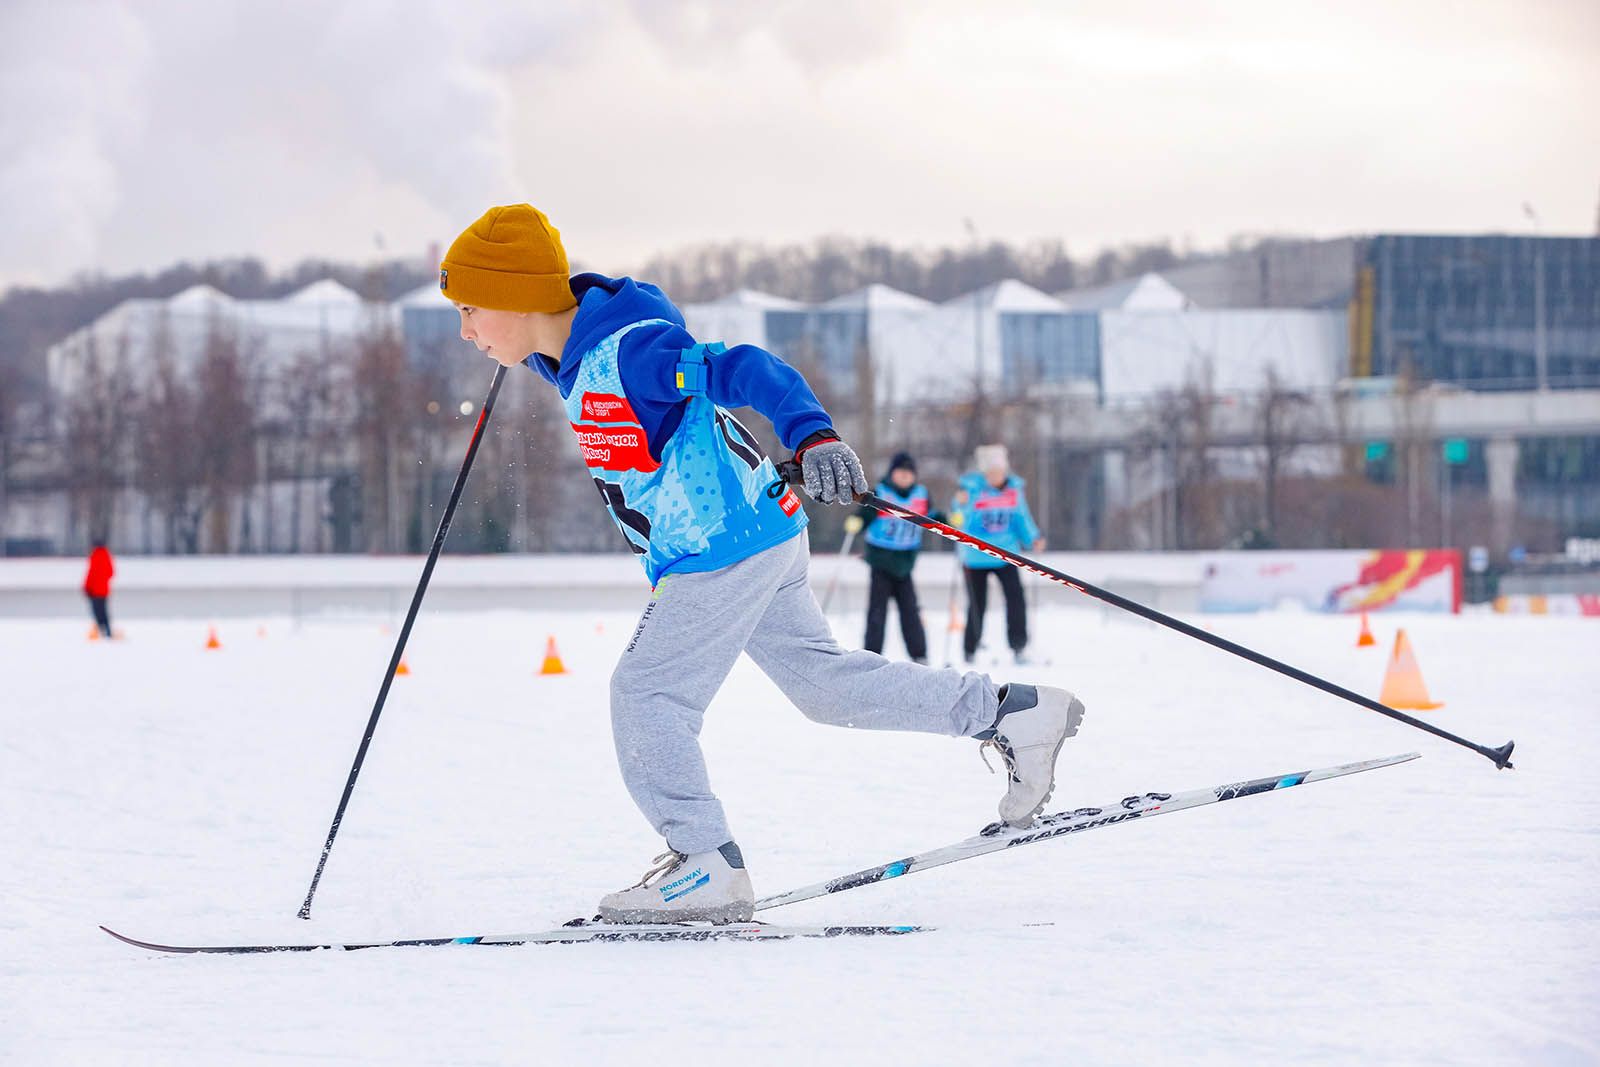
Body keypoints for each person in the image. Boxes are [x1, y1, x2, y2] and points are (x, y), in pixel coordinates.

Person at [439, 204, 1084, 925]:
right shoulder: (563, 354)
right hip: (758, 533)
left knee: (646, 694)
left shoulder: (633, 352)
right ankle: (1010, 713)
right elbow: (546, 343)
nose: (464, 330)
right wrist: (517, 346)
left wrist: (813, 434)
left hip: (721, 547)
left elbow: (746, 368)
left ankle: (705, 862)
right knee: (825, 686)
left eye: (469, 309)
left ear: (518, 294)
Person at [951, 444, 1043, 666]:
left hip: (1006, 554)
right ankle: (970, 649)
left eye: (999, 472)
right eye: (991, 473)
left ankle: (1018, 646)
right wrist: (960, 506)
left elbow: (1021, 517)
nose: (995, 477)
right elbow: (959, 520)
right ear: (985, 473)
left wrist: (1033, 537)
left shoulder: (1014, 490)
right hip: (976, 556)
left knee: (1015, 600)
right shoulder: (971, 490)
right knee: (977, 604)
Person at [848, 452, 935, 663]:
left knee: (910, 611)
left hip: (905, 563)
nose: (904, 477)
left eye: (909, 473)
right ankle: (872, 654)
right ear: (892, 473)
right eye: (900, 472)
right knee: (877, 612)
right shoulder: (882, 492)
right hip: (881, 561)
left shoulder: (921, 495)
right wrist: (857, 522)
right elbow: (866, 514)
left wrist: (949, 520)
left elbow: (932, 517)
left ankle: (919, 654)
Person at [84, 540, 115, 639]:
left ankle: (101, 630)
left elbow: (91, 573)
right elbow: (111, 572)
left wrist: (86, 587)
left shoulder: (94, 556)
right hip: (104, 590)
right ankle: (107, 630)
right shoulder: (107, 556)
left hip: (94, 590)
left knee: (97, 611)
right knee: (104, 611)